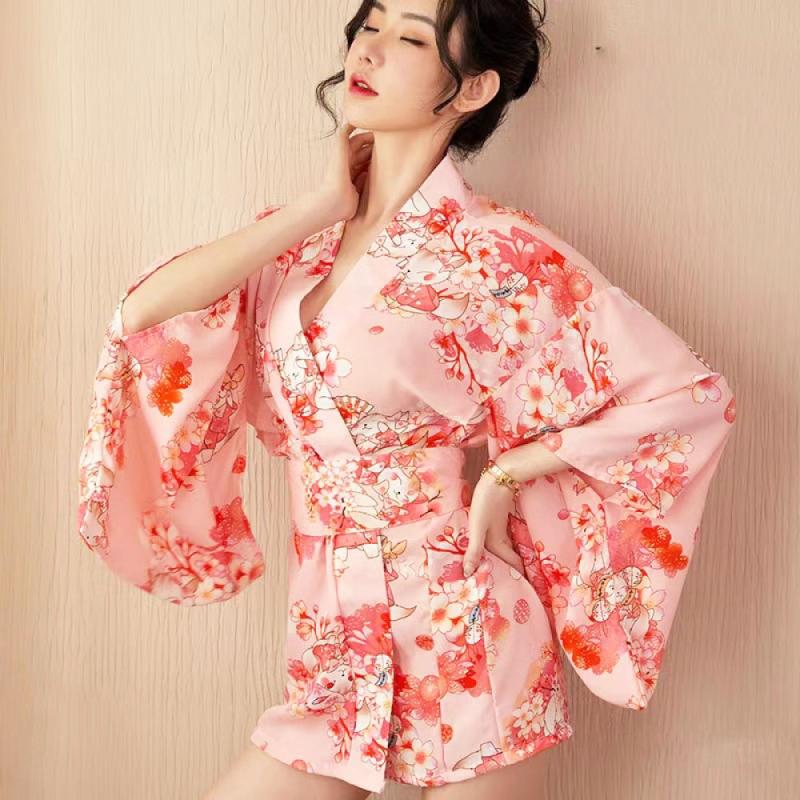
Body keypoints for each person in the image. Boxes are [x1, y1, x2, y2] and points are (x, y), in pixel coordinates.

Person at [76, 1, 737, 798]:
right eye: (371, 24)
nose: (371, 49)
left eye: (412, 37)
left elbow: (688, 397)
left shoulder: (494, 252)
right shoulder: (302, 242)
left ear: (472, 87)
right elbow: (144, 320)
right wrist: (320, 205)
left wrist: (508, 473)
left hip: (469, 637)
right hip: (331, 642)